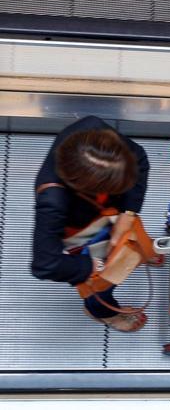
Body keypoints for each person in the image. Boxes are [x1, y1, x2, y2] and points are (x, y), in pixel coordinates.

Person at [31, 116, 150, 332]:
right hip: (80, 227)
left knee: (132, 239)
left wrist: (127, 213)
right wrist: (92, 267)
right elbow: (45, 264)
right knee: (101, 282)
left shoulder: (95, 134)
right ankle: (102, 311)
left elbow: (139, 158)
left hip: (111, 210)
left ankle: (141, 251)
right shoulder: (52, 200)